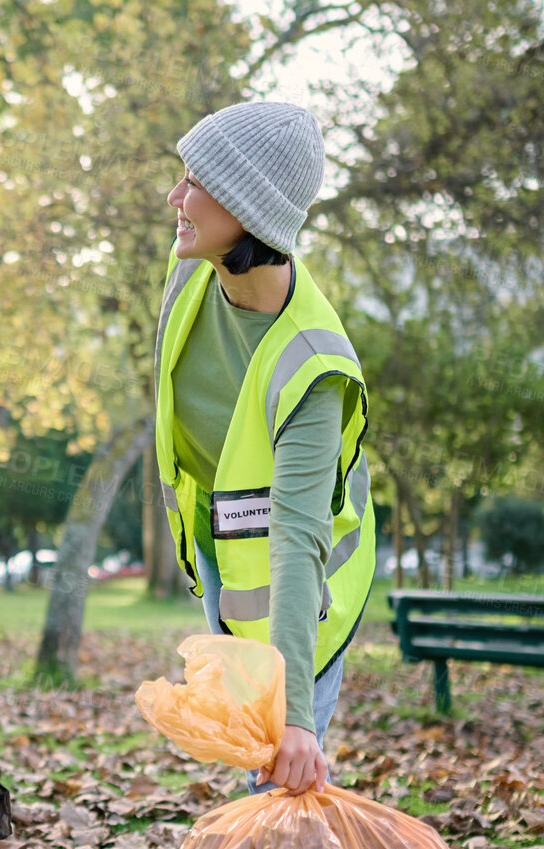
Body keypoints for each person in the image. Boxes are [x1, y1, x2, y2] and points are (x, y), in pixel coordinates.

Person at [152, 101, 376, 797]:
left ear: (246, 210)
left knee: (280, 762)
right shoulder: (191, 269)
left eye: (195, 182)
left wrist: (299, 718)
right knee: (253, 755)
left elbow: (297, 539)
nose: (174, 199)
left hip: (307, 583)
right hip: (224, 551)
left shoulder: (313, 367)